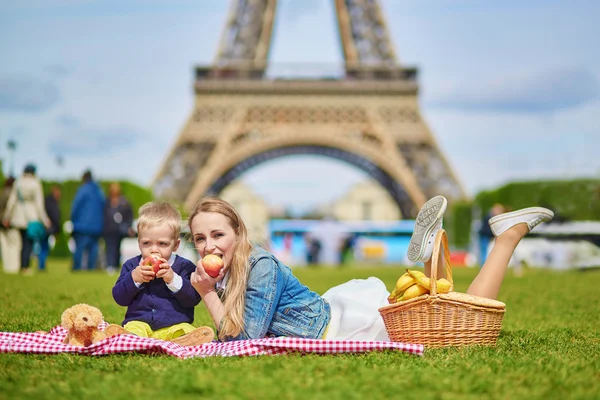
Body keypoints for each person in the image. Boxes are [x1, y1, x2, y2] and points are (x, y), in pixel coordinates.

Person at [188, 196, 553, 342]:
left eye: (218, 234)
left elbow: (243, 341)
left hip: (345, 326)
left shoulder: (259, 266)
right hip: (337, 315)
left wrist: (206, 292)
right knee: (443, 310)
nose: (209, 246)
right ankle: (435, 252)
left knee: (461, 329)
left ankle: (506, 238)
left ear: (239, 233)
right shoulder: (234, 273)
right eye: (200, 239)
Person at [105, 202, 214, 346]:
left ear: (175, 245)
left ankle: (186, 339)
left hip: (174, 325)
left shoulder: (185, 267)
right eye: (146, 243)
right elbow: (119, 298)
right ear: (139, 243)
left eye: (162, 244)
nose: (153, 250)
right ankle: (130, 337)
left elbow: (192, 298)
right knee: (133, 327)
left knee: (184, 329)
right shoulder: (132, 266)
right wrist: (134, 279)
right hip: (141, 325)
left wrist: (172, 279)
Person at [2, 164, 51, 275]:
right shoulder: (35, 183)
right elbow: (39, 204)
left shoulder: (18, 182)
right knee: (27, 244)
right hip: (31, 217)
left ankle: (17, 265)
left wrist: (7, 217)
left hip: (18, 216)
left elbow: (12, 201)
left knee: (18, 243)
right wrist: (45, 219)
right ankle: (25, 266)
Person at [70, 170, 105, 271]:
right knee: (93, 251)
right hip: (96, 227)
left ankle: (76, 269)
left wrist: (73, 220)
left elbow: (75, 207)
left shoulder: (83, 190)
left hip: (82, 226)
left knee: (79, 250)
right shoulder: (99, 191)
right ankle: (90, 270)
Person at [103, 182, 134, 274]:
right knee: (109, 248)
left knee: (117, 248)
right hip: (109, 229)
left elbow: (129, 216)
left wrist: (128, 227)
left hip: (119, 230)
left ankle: (115, 265)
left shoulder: (124, 202)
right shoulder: (106, 202)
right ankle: (110, 265)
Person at [0, 177, 21, 274]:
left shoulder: (2, 192)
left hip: (1, 223)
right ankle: (13, 267)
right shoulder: (11, 193)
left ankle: (7, 267)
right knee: (15, 244)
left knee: (5, 246)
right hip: (9, 222)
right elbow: (10, 207)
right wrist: (6, 218)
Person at [38, 185, 62, 271]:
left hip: (44, 227)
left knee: (43, 247)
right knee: (44, 247)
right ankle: (41, 266)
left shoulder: (46, 200)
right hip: (47, 228)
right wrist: (57, 231)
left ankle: (41, 265)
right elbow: (55, 217)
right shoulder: (52, 203)